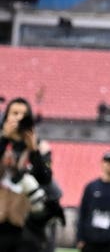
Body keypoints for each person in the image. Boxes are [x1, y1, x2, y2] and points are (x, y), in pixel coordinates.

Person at [0, 98, 58, 252]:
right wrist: (4, 139)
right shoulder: (1, 143)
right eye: (15, 113)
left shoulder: (40, 147)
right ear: (6, 117)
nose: (19, 118)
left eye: (24, 114)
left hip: (28, 227)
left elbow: (45, 178)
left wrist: (33, 151)